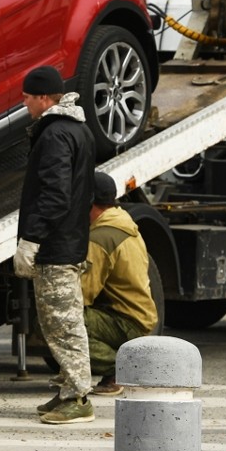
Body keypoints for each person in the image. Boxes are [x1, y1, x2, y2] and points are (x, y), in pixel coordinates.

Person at [12, 65, 96, 425]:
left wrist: (31, 238)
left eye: (28, 97)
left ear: (45, 98)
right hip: (68, 240)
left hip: (55, 245)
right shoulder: (77, 130)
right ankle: (66, 388)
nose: (25, 103)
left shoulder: (55, 135)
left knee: (63, 323)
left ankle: (78, 397)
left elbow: (54, 195)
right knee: (58, 321)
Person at [83, 170, 159, 396]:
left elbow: (83, 293)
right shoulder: (123, 224)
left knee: (59, 321)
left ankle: (120, 370)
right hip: (140, 318)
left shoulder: (100, 237)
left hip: (127, 322)